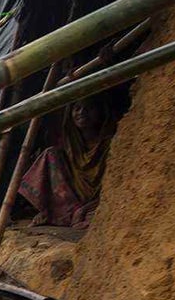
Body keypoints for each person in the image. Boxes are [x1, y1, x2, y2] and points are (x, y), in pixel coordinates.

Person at [19, 98, 116, 229]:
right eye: (77, 108)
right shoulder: (70, 146)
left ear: (101, 112)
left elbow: (113, 185)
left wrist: (86, 208)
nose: (82, 112)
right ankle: (61, 212)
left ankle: (69, 213)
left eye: (90, 108)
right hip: (72, 202)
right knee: (51, 153)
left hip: (97, 200)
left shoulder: (111, 145)